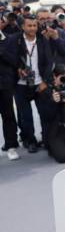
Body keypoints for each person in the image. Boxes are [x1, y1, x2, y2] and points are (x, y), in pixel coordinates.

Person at [14, 15, 53, 153]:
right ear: (23, 27)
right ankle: (30, 140)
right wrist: (17, 69)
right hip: (21, 84)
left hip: (39, 83)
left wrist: (45, 81)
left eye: (34, 25)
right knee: (26, 116)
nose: (32, 28)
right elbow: (9, 57)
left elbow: (49, 63)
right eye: (29, 25)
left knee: (45, 113)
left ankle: (47, 139)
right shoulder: (16, 40)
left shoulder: (43, 40)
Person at [0, 27, 19, 160]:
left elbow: (14, 60)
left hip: (5, 85)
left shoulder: (9, 39)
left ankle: (11, 146)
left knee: (8, 116)